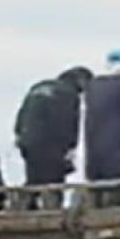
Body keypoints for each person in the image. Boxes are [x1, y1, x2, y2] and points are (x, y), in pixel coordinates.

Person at [14, 66, 93, 209]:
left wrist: (19, 136)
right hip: (50, 143)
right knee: (54, 181)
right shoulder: (68, 94)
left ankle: (24, 207)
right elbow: (69, 122)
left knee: (34, 178)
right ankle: (53, 211)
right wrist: (70, 147)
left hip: (27, 140)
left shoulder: (38, 86)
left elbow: (21, 114)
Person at [84, 48, 120, 204]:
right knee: (116, 183)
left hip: (93, 145)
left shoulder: (93, 86)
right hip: (115, 144)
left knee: (96, 185)